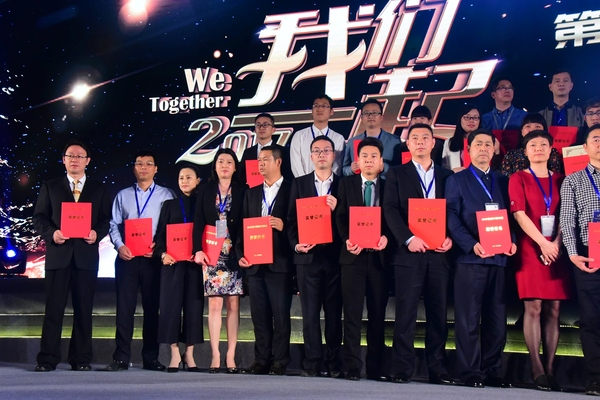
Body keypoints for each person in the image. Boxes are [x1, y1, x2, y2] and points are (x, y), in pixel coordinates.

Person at [383, 124, 454, 385]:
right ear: (408, 144)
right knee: (406, 312)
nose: (420, 141)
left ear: (433, 143)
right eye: (415, 138)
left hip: (439, 253)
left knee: (438, 313)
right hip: (409, 253)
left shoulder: (447, 176)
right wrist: (408, 239)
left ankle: (438, 369)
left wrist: (451, 237)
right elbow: (390, 210)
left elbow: (453, 210)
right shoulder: (396, 173)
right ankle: (402, 368)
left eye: (426, 137)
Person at [446, 129, 517, 388]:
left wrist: (513, 241)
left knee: (497, 318)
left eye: (488, 144)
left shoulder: (503, 181)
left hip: (498, 258)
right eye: (479, 144)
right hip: (470, 259)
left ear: (495, 149)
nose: (484, 148)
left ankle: (492, 370)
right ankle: (469, 371)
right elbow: (451, 217)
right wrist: (471, 245)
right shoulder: (457, 179)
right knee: (468, 318)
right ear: (469, 149)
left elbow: (512, 217)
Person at [33, 140, 112, 372]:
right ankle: (47, 359)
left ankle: (81, 359)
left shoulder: (99, 188)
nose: (74, 160)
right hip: (58, 255)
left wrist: (96, 233)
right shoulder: (50, 186)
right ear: (63, 160)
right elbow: (39, 218)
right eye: (70, 156)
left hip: (86, 257)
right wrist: (52, 233)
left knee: (84, 309)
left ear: (88, 161)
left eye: (79, 156)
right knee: (53, 309)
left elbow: (106, 219)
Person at [102, 150, 176, 372]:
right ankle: (121, 357)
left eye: (148, 164)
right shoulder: (122, 195)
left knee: (152, 310)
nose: (144, 167)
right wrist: (119, 245)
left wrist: (160, 248)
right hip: (128, 258)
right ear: (134, 168)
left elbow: (172, 226)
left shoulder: (167, 195)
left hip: (153, 259)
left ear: (156, 169)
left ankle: (151, 358)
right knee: (124, 309)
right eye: (139, 163)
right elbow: (113, 224)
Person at [508, 130, 569, 391]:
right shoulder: (518, 177)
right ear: (525, 151)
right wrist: (543, 243)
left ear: (551, 149)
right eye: (533, 145)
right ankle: (536, 369)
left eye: (544, 144)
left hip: (557, 248)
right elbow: (519, 214)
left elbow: (567, 213)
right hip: (530, 248)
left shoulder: (562, 179)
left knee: (554, 309)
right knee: (533, 307)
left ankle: (551, 368)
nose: (539, 148)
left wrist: (556, 243)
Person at [287, 135, 342, 378]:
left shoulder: (343, 184)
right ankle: (312, 362)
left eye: (326, 150)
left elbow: (348, 223)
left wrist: (337, 209)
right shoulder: (299, 184)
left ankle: (333, 362)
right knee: (309, 314)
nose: (321, 155)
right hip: (307, 258)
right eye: (317, 151)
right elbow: (290, 221)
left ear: (333, 155)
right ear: (310, 156)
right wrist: (296, 245)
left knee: (333, 314)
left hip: (334, 259)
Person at [336, 137, 389, 382]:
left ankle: (376, 367)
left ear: (381, 162)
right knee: (352, 314)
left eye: (373, 156)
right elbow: (340, 217)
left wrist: (387, 237)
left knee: (378, 314)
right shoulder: (346, 184)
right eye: (364, 156)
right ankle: (352, 366)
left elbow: (394, 217)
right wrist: (347, 239)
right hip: (353, 258)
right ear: (358, 161)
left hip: (379, 259)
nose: (369, 160)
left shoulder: (389, 186)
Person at [237, 146, 293, 375]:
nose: (260, 164)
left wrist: (284, 226)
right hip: (254, 263)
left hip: (279, 262)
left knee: (280, 315)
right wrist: (240, 254)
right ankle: (261, 359)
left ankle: (280, 359)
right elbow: (241, 229)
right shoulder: (251, 193)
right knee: (259, 315)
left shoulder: (292, 189)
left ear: (278, 162)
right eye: (259, 160)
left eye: (265, 160)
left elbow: (299, 226)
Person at [193, 148, 245, 373]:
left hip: (235, 253)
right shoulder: (205, 190)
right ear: (214, 166)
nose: (225, 165)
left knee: (233, 304)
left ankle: (230, 355)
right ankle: (215, 354)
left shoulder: (243, 190)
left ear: (235, 167)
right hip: (211, 251)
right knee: (214, 304)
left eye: (229, 162)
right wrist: (197, 250)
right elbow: (197, 221)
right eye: (220, 161)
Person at [560, 124, 600, 396]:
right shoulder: (573, 179)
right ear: (584, 147)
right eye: (595, 139)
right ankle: (596, 378)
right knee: (591, 319)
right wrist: (573, 254)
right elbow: (567, 220)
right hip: (587, 255)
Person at [154, 164, 203, 373]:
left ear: (198, 180)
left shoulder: (204, 204)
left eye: (189, 177)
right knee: (170, 307)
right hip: (172, 264)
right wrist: (162, 255)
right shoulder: (169, 205)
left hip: (195, 265)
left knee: (194, 308)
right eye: (181, 177)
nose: (184, 181)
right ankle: (174, 352)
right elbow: (159, 237)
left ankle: (189, 353)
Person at [289, 94, 345, 177]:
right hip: (304, 183)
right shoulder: (299, 136)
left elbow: (337, 165)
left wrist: (327, 181)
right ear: (312, 111)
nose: (320, 109)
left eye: (324, 106)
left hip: (330, 183)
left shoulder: (338, 138)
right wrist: (304, 182)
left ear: (331, 111)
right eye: (316, 106)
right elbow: (296, 164)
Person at [342, 99, 400, 179]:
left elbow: (401, 169)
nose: (370, 116)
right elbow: (344, 169)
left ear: (381, 117)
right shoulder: (352, 142)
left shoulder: (394, 141)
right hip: (360, 185)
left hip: (386, 185)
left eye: (375, 113)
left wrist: (384, 168)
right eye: (366, 113)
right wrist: (351, 170)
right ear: (361, 118)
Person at [239, 113, 292, 184]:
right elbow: (242, 176)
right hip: (253, 189)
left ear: (273, 129)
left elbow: (288, 175)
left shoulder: (282, 151)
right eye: (258, 125)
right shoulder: (248, 152)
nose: (261, 128)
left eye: (265, 125)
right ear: (255, 129)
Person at [442, 104, 481, 172]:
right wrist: (452, 171)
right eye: (467, 117)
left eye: (475, 118)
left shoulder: (485, 142)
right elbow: (444, 168)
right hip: (457, 177)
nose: (471, 121)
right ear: (460, 119)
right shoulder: (449, 142)